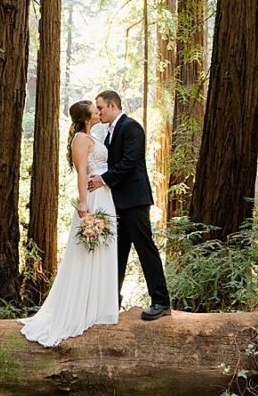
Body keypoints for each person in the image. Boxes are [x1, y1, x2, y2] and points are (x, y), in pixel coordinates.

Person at [20, 100, 121, 346]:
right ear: (86, 117)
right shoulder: (79, 139)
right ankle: (82, 309)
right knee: (90, 249)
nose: (98, 111)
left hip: (105, 195)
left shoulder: (93, 137)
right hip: (93, 196)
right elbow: (82, 172)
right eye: (93, 108)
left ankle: (100, 308)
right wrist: (83, 203)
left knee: (104, 248)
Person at [90, 89, 171, 320]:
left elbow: (128, 162)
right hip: (117, 202)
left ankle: (161, 301)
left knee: (145, 249)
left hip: (135, 200)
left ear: (113, 106)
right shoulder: (108, 133)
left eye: (101, 107)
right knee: (117, 252)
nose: (98, 111)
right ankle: (111, 300)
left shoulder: (132, 127)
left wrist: (103, 179)